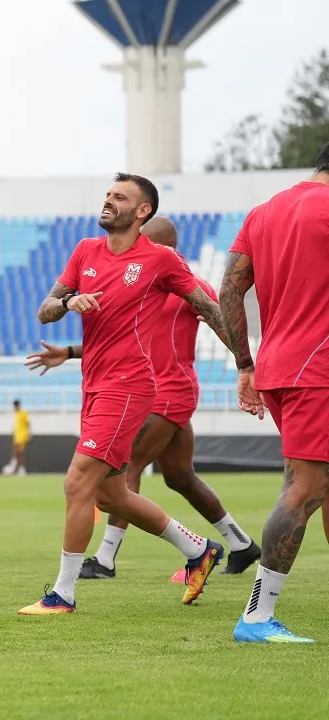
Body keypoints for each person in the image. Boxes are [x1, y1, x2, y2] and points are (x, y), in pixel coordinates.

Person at [19, 173, 236, 616]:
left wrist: (248, 363)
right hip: (94, 385)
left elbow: (211, 310)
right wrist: (67, 303)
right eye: (107, 194)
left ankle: (62, 595)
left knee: (78, 482)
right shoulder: (84, 251)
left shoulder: (159, 260)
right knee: (111, 495)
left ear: (142, 212)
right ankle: (199, 551)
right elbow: (44, 311)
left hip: (130, 385)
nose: (108, 201)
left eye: (119, 197)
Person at [222, 143, 329, 643]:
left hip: (279, 366)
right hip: (319, 369)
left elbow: (229, 290)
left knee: (322, 485)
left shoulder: (264, 212)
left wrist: (245, 364)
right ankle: (257, 618)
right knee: (304, 489)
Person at [4, 400, 31, 476]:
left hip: (22, 436)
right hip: (17, 435)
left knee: (15, 450)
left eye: (16, 405)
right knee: (20, 453)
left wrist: (28, 434)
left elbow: (28, 424)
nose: (16, 407)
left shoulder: (23, 413)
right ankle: (21, 469)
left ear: (19, 405)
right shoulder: (16, 414)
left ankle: (12, 467)